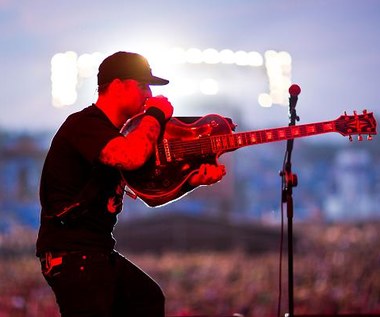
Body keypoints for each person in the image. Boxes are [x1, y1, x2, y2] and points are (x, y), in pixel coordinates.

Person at [36, 51, 226, 317]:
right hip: (73, 255)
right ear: (116, 85)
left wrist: (192, 181)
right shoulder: (85, 125)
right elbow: (131, 157)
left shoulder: (119, 136)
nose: (148, 94)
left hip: (97, 251)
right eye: (142, 85)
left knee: (147, 299)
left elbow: (150, 194)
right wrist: (156, 115)